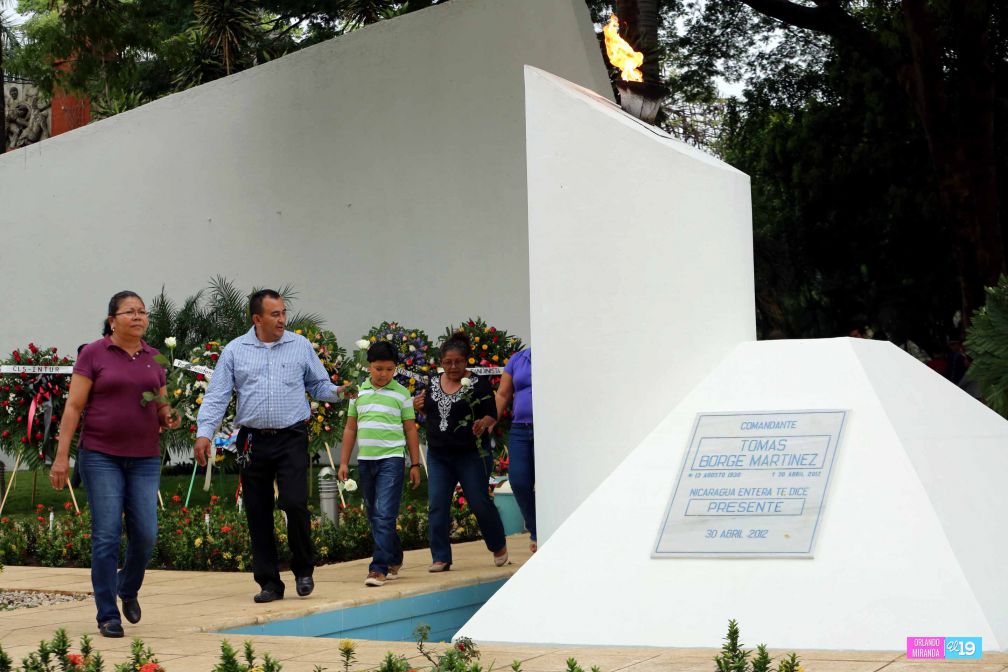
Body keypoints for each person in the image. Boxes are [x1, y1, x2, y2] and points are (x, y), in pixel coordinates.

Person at [195, 289, 354, 603]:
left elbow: (318, 385)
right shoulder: (235, 351)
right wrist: (204, 433)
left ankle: (303, 569)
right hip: (252, 440)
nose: (282, 319)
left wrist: (339, 391)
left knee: (294, 503)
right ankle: (269, 582)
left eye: (283, 313)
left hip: (291, 437)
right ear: (257, 318)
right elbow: (217, 395)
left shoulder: (299, 346)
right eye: (275, 314)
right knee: (257, 510)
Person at [49, 291, 180, 638]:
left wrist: (169, 416)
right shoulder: (94, 354)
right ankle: (108, 614)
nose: (138, 317)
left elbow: (161, 404)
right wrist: (62, 458)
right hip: (101, 455)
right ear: (112, 320)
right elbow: (74, 408)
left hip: (145, 458)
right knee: (106, 536)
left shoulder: (156, 358)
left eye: (142, 312)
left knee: (147, 534)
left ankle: (128, 588)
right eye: (129, 312)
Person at [414, 332, 507, 571]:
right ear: (441, 362)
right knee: (437, 504)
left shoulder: (478, 383)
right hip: (439, 455)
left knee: (478, 501)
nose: (453, 366)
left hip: (470, 454)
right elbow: (432, 414)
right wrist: (419, 408)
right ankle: (441, 557)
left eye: (458, 362)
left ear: (466, 362)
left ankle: (497, 545)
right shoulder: (432, 382)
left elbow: (491, 413)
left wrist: (483, 423)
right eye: (447, 362)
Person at [338, 341, 421, 586]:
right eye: (378, 368)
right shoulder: (357, 393)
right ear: (368, 367)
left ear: (395, 369)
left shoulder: (402, 394)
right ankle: (394, 556)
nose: (383, 374)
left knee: (384, 514)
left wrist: (415, 464)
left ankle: (378, 568)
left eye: (388, 369)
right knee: (374, 514)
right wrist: (344, 462)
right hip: (366, 462)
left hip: (392, 460)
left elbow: (410, 430)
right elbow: (350, 428)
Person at [495, 347, 535, 552]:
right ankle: (536, 529)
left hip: (549, 429)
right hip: (520, 429)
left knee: (549, 482)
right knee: (518, 481)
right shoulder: (518, 359)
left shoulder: (559, 353)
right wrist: (490, 421)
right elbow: (503, 394)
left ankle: (548, 531)